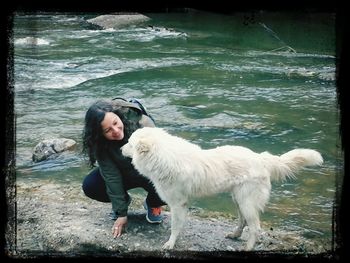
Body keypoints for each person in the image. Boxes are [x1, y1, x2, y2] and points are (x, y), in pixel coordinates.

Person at [82, 98, 166, 238]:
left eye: (115, 123)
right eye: (108, 130)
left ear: (118, 115)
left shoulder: (143, 124)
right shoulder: (99, 144)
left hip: (148, 172)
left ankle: (153, 203)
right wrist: (121, 212)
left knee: (172, 178)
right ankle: (123, 201)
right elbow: (111, 176)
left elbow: (162, 161)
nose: (116, 130)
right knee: (90, 185)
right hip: (123, 173)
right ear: (100, 134)